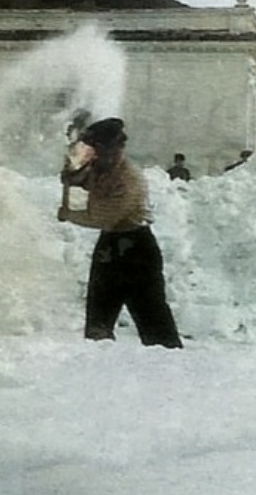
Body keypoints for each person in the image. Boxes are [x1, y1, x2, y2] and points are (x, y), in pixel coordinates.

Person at [58, 117, 183, 348]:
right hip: (109, 245)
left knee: (153, 322)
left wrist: (68, 214)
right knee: (98, 322)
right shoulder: (100, 168)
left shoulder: (129, 178)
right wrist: (72, 173)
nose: (92, 155)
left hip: (136, 249)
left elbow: (102, 217)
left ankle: (170, 364)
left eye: (97, 149)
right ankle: (100, 362)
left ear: (115, 149)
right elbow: (77, 185)